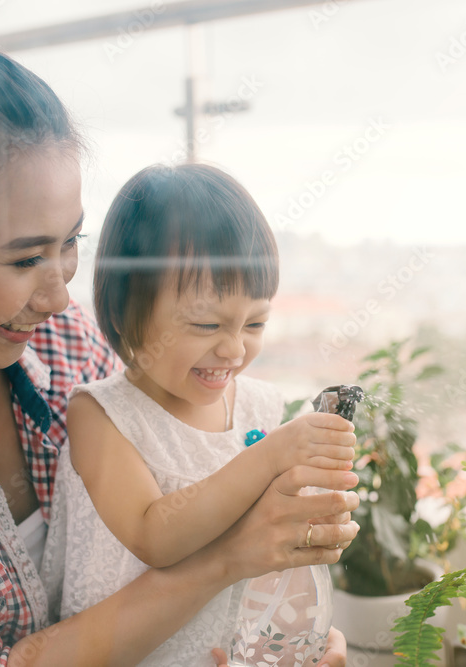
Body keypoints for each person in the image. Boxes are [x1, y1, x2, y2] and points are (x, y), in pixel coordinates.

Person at [0, 1, 359, 665]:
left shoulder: (54, 340)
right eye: (25, 258)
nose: (60, 295)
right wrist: (232, 558)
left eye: (70, 242)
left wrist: (273, 628)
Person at [42, 163, 357, 664]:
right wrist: (273, 455)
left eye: (255, 322)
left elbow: (265, 550)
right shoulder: (100, 414)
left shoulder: (258, 405)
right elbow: (154, 535)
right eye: (207, 324)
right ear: (125, 314)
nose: (233, 349)